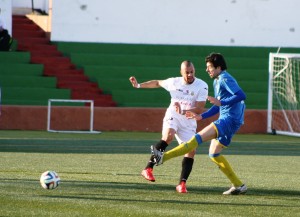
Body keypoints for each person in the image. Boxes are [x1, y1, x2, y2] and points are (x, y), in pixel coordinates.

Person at [151, 53, 247, 195]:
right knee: (214, 154)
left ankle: (162, 158)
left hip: (229, 120)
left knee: (196, 139)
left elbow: (241, 95)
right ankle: (239, 185)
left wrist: (223, 102)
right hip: (231, 120)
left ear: (218, 67)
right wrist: (201, 116)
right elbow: (217, 105)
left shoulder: (224, 78)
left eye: (210, 67)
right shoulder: (217, 80)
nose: (207, 70)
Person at [129, 60, 208, 193]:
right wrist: (138, 85)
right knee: (168, 136)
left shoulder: (202, 85)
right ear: (181, 72)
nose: (189, 75)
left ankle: (182, 184)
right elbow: (157, 82)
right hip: (174, 115)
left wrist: (183, 111)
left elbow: (200, 109)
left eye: (191, 72)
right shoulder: (174, 82)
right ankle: (148, 168)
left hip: (188, 120)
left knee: (191, 150)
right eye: (186, 72)